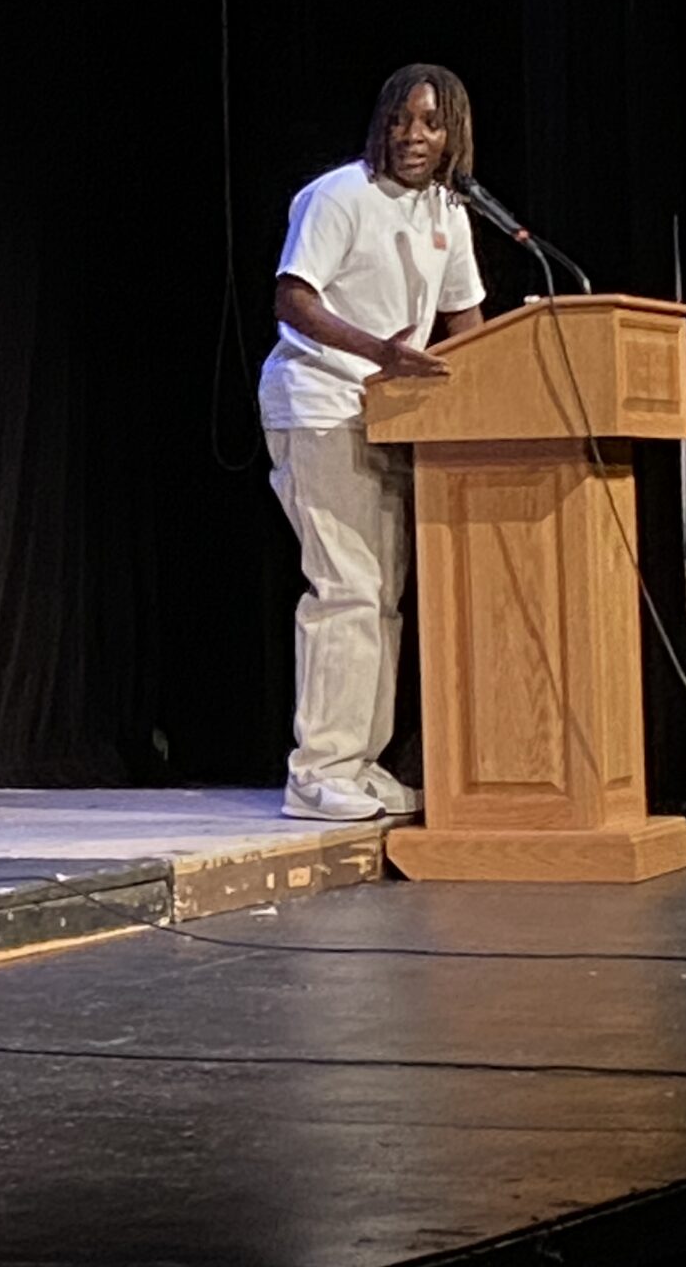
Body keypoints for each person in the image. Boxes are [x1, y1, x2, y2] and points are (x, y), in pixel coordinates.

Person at [258, 64, 488, 822]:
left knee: (380, 599)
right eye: (400, 120)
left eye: (429, 123)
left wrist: (494, 390)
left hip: (393, 416)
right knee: (347, 588)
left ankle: (359, 765)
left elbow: (466, 321)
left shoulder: (448, 213)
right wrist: (379, 354)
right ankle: (318, 770)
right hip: (322, 401)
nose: (412, 137)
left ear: (454, 130)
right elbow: (294, 299)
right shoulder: (339, 196)